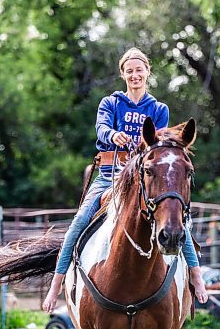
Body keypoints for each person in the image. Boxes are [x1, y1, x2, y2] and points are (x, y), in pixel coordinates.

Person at [43, 48, 208, 313]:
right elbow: (101, 128)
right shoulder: (111, 103)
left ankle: (196, 275)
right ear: (123, 74)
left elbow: (159, 146)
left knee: (179, 218)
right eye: (129, 71)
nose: (135, 75)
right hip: (109, 176)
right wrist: (112, 135)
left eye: (139, 70)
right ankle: (57, 283)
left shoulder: (158, 108)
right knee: (80, 220)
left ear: (147, 72)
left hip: (142, 179)